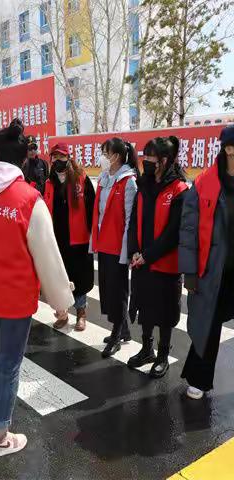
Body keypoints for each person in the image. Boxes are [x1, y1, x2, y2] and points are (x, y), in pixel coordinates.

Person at [0, 121, 74, 458]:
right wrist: (60, 301)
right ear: (21, 162)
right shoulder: (29, 199)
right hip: (13, 298)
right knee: (9, 364)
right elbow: (47, 254)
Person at [179, 125, 234, 399]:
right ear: (229, 149)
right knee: (208, 325)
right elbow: (188, 231)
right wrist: (189, 272)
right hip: (213, 272)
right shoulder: (203, 184)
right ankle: (198, 379)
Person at [127, 136, 188, 378]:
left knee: (165, 311)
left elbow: (173, 234)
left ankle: (162, 355)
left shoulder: (179, 190)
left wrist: (147, 256)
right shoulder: (144, 184)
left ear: (164, 160)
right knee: (145, 308)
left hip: (165, 265)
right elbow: (133, 221)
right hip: (142, 261)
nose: (145, 162)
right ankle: (146, 349)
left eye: (150, 158)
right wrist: (134, 250)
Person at [90, 138, 138, 358]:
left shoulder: (128, 182)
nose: (103, 157)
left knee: (118, 291)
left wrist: (126, 251)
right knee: (108, 289)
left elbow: (130, 219)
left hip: (118, 246)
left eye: (105, 153)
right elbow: (98, 213)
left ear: (116, 156)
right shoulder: (103, 178)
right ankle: (123, 330)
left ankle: (117, 334)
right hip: (105, 243)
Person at [44, 142, 95, 331]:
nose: (58, 160)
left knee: (79, 279)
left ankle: (81, 314)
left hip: (78, 240)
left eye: (61, 157)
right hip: (56, 239)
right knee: (59, 279)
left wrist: (93, 235)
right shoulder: (49, 183)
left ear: (69, 158)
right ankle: (62, 314)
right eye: (55, 157)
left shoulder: (81, 179)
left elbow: (92, 208)